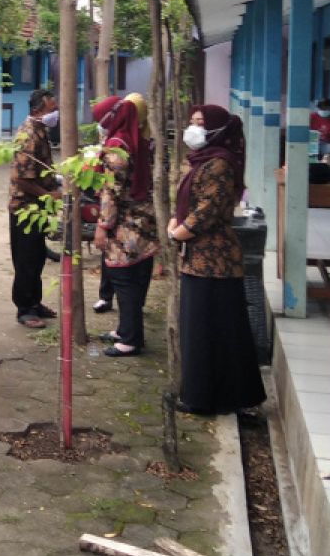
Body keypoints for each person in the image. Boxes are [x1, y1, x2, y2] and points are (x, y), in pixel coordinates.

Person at [169, 105, 266, 415]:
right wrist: (176, 223)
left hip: (214, 260)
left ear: (217, 130)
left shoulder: (220, 164)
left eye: (201, 123)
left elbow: (208, 210)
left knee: (212, 329)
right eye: (192, 121)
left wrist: (179, 232)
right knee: (207, 328)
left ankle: (207, 397)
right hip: (199, 257)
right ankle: (209, 394)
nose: (193, 128)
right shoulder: (202, 161)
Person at [92, 94, 158, 357]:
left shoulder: (117, 151)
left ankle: (130, 339)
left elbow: (111, 192)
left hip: (126, 225)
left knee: (123, 279)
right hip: (144, 220)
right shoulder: (138, 141)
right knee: (136, 275)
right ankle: (125, 329)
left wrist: (102, 226)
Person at [9, 89, 60, 328]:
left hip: (37, 208)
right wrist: (48, 194)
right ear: (38, 110)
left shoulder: (41, 131)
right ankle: (24, 308)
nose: (55, 113)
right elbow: (21, 178)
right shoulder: (29, 134)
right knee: (26, 260)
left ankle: (35, 302)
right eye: (52, 108)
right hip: (25, 208)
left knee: (38, 256)